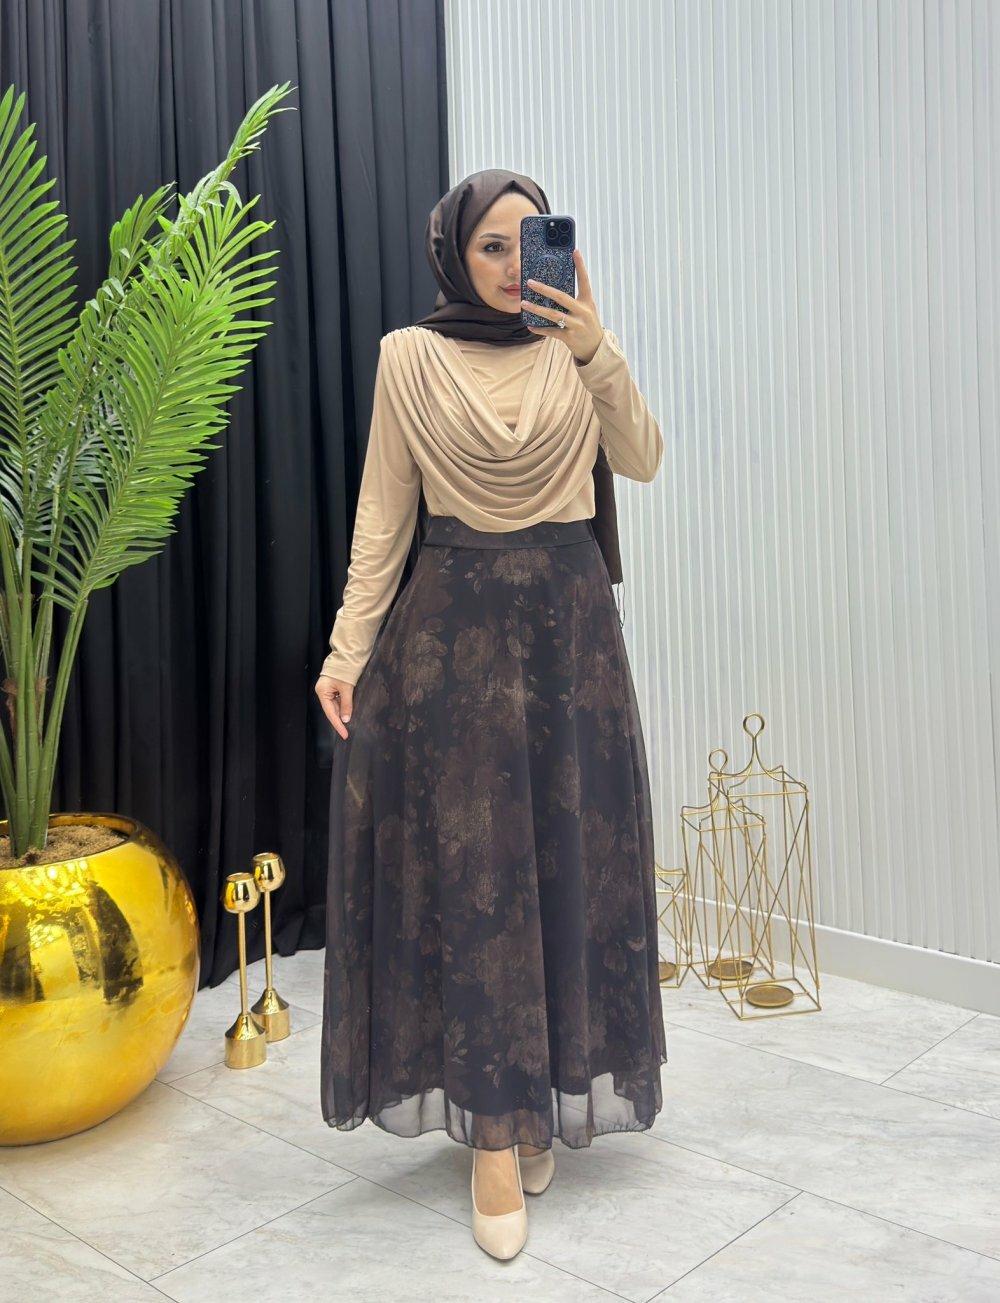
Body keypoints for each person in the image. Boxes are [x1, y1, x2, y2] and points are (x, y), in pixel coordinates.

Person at [316, 168, 667, 1261]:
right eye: (492, 247)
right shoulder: (409, 359)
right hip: (454, 637)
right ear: (453, 255)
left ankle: (541, 1093)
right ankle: (494, 1138)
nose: (516, 266)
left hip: (570, 637)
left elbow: (643, 459)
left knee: (564, 867)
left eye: (532, 240)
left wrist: (596, 349)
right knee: (478, 879)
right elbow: (384, 513)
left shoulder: (574, 351)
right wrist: (347, 647)